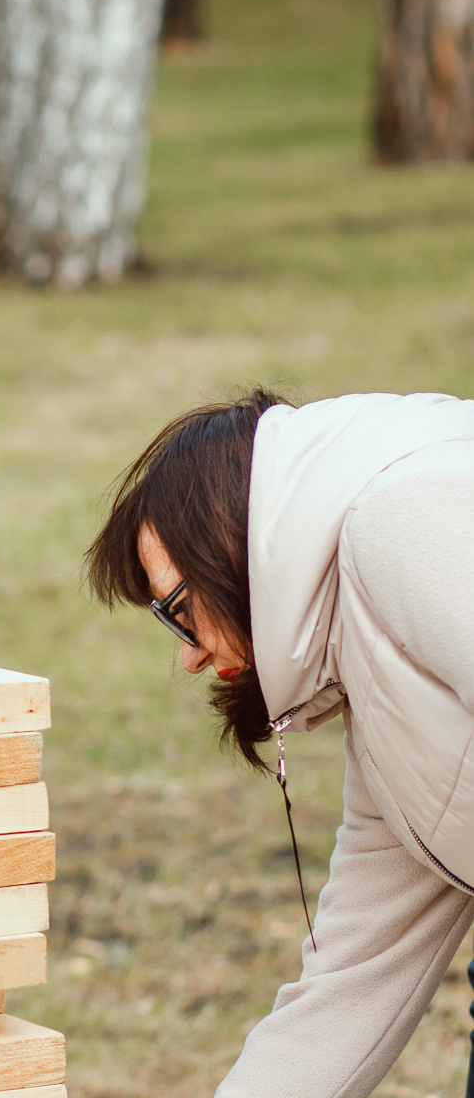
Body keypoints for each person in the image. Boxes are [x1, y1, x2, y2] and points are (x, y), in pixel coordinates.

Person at [87, 388, 474, 1098]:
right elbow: (349, 991)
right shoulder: (384, 706)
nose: (189, 657)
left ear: (231, 543)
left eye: (178, 612)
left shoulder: (400, 525)